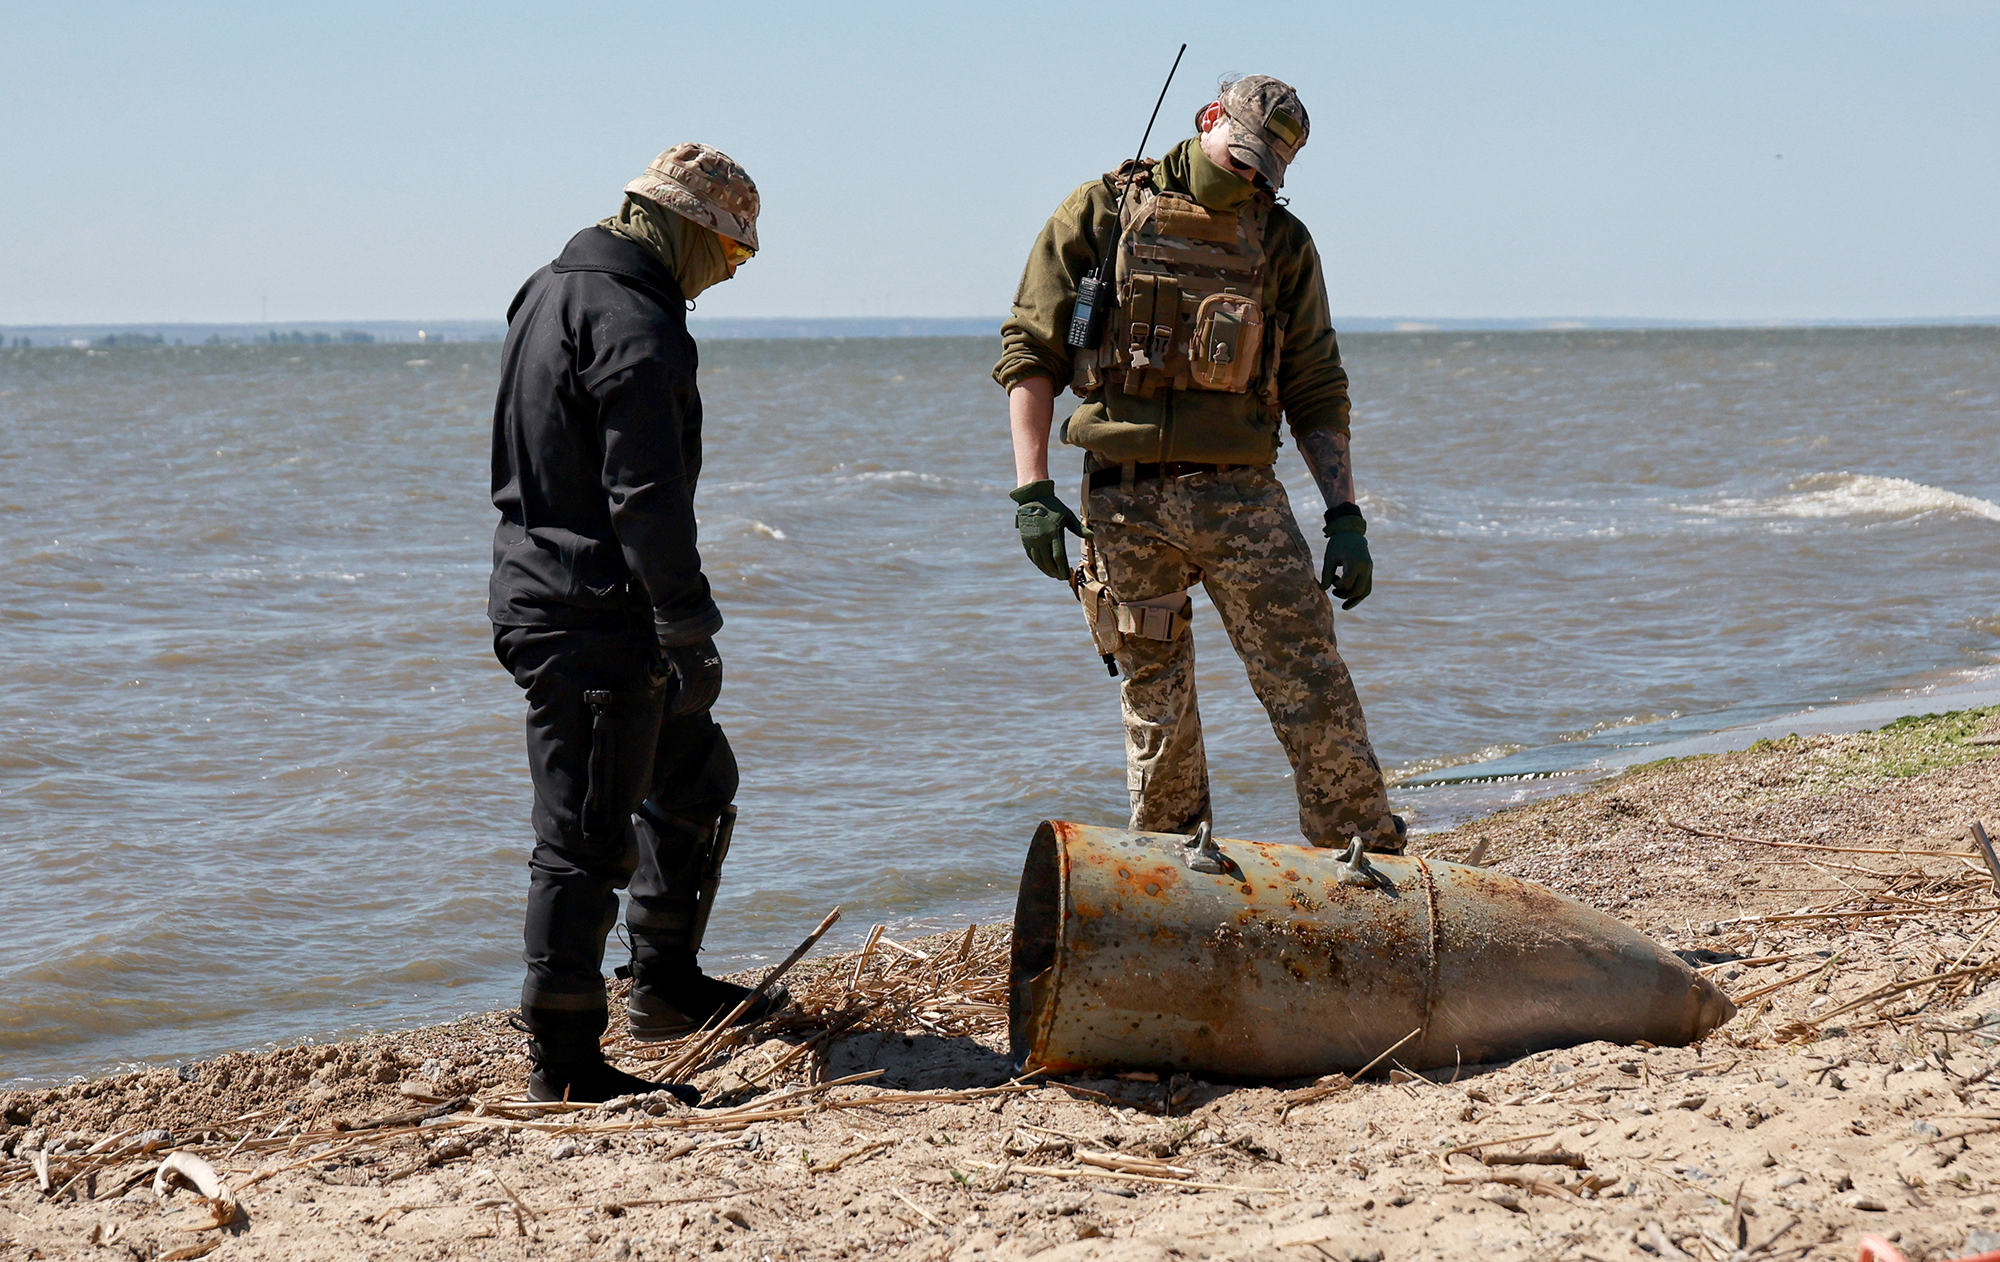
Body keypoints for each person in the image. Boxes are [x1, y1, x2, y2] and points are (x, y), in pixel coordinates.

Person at [995, 74, 1405, 854]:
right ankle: (1177, 879)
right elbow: (1030, 350)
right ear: (1208, 119)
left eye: (1266, 171)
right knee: (1158, 704)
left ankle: (1366, 865)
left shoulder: (1282, 242)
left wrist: (1344, 515)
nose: (1248, 179)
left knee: (1310, 684)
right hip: (1125, 501)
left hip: (1241, 497)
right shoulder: (1101, 213)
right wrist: (1032, 490)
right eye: (1242, 156)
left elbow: (1316, 386)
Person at [488, 143, 782, 1103]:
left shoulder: (546, 289)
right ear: (687, 228)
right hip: (593, 616)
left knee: (695, 777)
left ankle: (663, 985)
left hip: (552, 592)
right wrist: (690, 631)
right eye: (729, 253)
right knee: (583, 836)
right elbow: (646, 500)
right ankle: (564, 1063)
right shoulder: (638, 323)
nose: (730, 273)